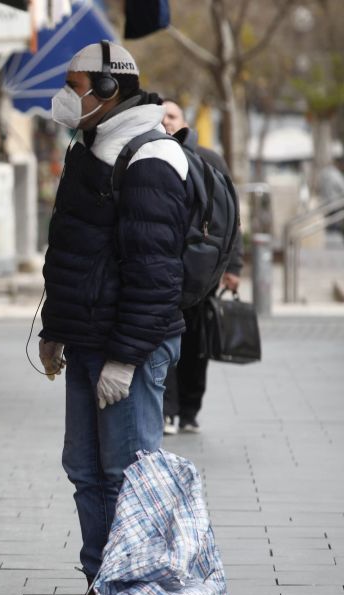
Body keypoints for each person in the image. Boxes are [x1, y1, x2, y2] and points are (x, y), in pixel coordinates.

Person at [34, 41, 188, 595]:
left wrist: (124, 358)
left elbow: (155, 272)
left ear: (108, 91)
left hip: (129, 346)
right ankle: (103, 594)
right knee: (87, 471)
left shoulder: (148, 156)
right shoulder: (90, 146)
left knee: (128, 476)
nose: (67, 97)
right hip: (88, 339)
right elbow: (74, 250)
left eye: (76, 86)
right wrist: (55, 329)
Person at [160, 100, 244, 435]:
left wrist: (232, 265)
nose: (166, 121)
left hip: (202, 272)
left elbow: (231, 217)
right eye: (161, 116)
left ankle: (190, 410)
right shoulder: (150, 156)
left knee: (195, 344)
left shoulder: (210, 160)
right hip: (165, 269)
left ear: (184, 121)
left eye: (172, 116)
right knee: (163, 339)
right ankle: (167, 409)